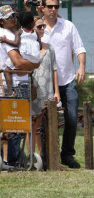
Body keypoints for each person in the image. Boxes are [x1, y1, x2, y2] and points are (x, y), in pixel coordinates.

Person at [41, 0, 86, 169]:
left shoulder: (68, 26)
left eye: (56, 7)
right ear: (43, 8)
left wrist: (81, 67)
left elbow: (79, 48)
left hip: (67, 80)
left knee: (73, 118)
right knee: (44, 120)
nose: (53, 10)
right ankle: (45, 155)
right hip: (45, 82)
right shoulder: (38, 27)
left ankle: (67, 155)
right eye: (50, 7)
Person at [0, 5, 40, 166]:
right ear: (1, 21)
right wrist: (35, 65)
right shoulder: (4, 35)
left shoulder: (16, 34)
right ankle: (13, 160)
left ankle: (15, 158)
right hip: (16, 84)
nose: (13, 19)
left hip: (22, 82)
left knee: (20, 123)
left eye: (14, 16)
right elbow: (18, 62)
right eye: (8, 17)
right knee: (16, 124)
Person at [30, 17, 60, 160]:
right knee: (34, 125)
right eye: (39, 27)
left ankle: (46, 155)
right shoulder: (29, 47)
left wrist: (56, 91)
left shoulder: (50, 48)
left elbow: (54, 70)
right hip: (35, 92)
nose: (42, 29)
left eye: (43, 26)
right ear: (32, 29)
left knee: (48, 126)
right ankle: (33, 156)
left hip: (47, 91)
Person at [0, 11, 40, 96]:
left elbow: (16, 43)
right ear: (33, 23)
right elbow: (39, 45)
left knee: (7, 70)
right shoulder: (35, 33)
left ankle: (10, 91)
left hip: (24, 55)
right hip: (35, 57)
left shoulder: (19, 32)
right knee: (28, 69)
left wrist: (5, 40)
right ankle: (31, 82)